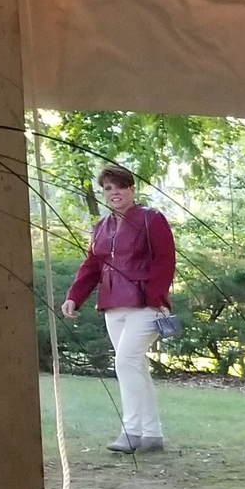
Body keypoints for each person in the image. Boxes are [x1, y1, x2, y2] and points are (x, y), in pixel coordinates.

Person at [61, 164, 176, 453]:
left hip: (145, 305)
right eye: (108, 188)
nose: (114, 193)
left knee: (125, 363)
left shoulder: (152, 219)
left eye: (120, 187)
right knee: (135, 366)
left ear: (131, 189)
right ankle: (152, 435)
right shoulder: (101, 226)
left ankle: (131, 430)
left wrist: (154, 297)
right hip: (113, 305)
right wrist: (75, 295)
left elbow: (165, 262)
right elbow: (92, 265)